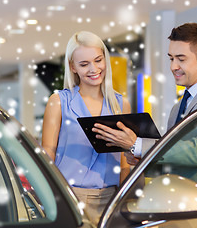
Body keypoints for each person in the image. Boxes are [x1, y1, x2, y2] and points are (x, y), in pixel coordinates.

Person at [92, 22, 197, 197]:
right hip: (178, 204)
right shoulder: (177, 107)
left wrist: (139, 145)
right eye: (171, 58)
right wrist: (141, 158)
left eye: (181, 59)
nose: (173, 66)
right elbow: (174, 160)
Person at [41, 31, 131, 225]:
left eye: (98, 60)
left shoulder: (120, 104)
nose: (94, 69)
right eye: (84, 64)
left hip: (111, 200)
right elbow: (48, 152)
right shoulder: (58, 102)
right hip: (70, 198)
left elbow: (125, 162)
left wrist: (123, 201)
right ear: (72, 67)